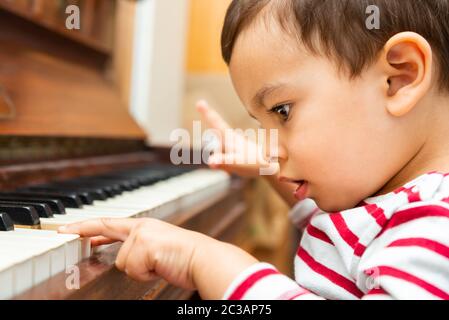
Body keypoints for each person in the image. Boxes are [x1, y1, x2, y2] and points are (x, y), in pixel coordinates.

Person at [60, 0, 449, 299]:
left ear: (399, 78)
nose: (271, 147)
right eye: (261, 124)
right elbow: (335, 232)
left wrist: (207, 262)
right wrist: (265, 167)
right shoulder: (398, 205)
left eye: (282, 111)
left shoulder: (432, 230)